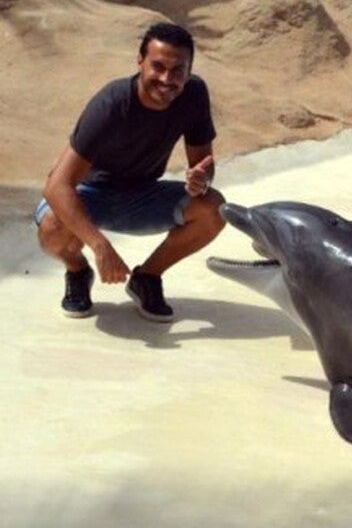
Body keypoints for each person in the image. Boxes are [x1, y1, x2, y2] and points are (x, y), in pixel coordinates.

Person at [34, 22, 226, 322]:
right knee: (52, 225)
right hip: (90, 195)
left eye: (178, 70)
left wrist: (201, 180)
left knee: (213, 209)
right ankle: (77, 271)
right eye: (157, 66)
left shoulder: (194, 94)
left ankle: (147, 277)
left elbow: (204, 164)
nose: (167, 79)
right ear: (140, 62)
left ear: (189, 71)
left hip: (141, 195)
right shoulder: (112, 104)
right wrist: (100, 247)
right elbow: (56, 186)